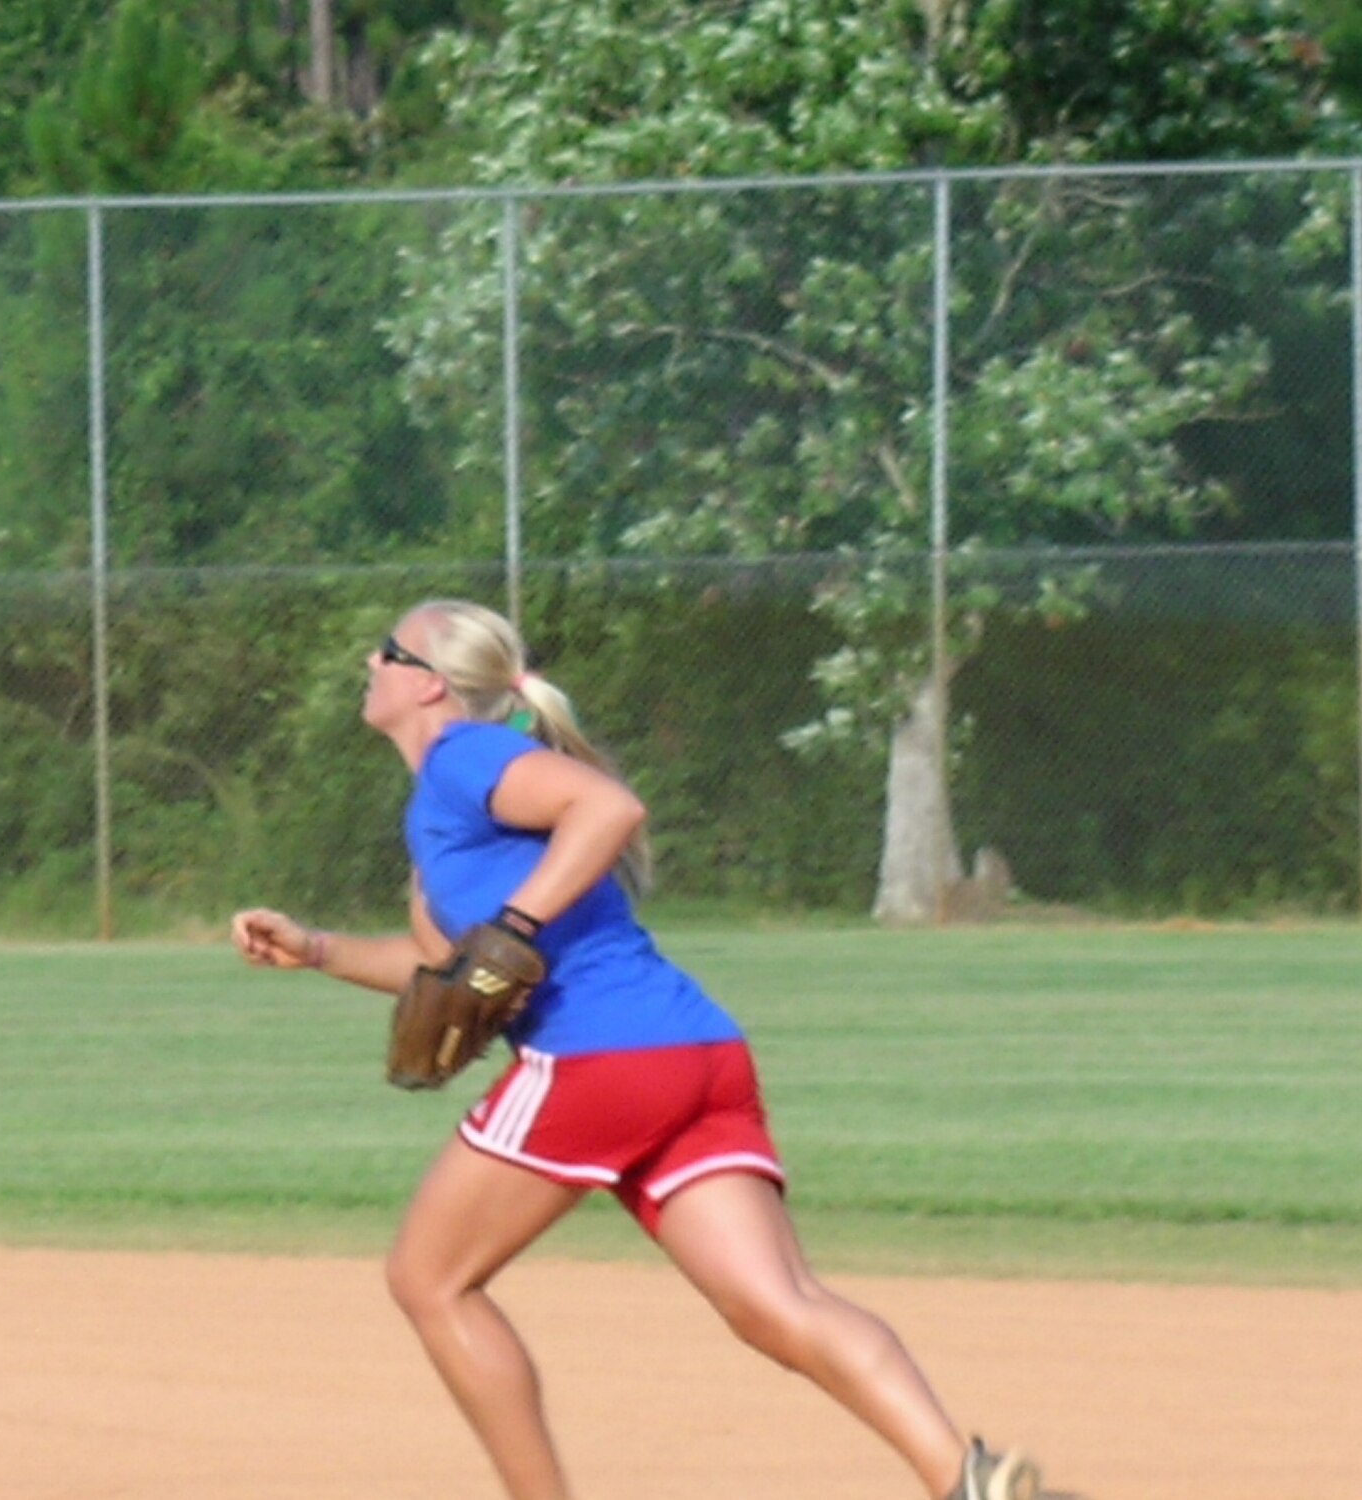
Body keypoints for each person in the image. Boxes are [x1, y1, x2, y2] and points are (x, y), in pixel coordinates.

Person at [230, 599, 1048, 1500]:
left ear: (426, 682)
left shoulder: (469, 755)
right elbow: (441, 965)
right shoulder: (442, 812)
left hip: (600, 1061)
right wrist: (314, 949)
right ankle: (965, 1480)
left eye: (384, 651)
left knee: (431, 1280)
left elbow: (608, 807)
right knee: (780, 1305)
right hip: (694, 1051)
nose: (368, 662)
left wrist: (514, 924)